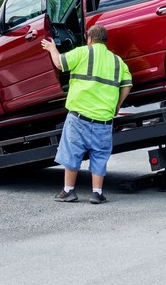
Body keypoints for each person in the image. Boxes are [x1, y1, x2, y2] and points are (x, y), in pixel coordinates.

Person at [41, 25, 132, 204]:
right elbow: (127, 84)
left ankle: (69, 191)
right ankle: (97, 193)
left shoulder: (82, 52)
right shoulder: (117, 61)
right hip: (103, 120)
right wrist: (118, 105)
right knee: (100, 155)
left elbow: (60, 63)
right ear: (105, 40)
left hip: (79, 117)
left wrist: (52, 48)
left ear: (89, 38)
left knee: (72, 153)